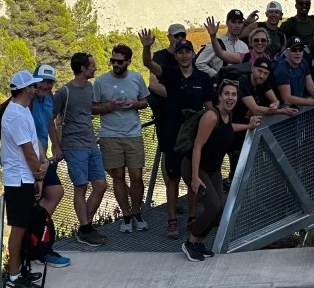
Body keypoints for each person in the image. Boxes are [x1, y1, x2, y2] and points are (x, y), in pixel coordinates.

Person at [141, 30, 215, 239]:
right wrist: (146, 47)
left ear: (193, 55)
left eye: (187, 52)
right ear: (176, 55)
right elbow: (148, 64)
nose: (183, 56)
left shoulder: (203, 78)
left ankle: (192, 217)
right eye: (180, 52)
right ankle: (172, 220)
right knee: (172, 177)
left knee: (194, 176)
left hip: (194, 135)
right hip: (171, 132)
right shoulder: (170, 74)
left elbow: (209, 108)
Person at [181, 81, 262, 262]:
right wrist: (194, 177)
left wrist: (248, 126)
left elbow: (227, 128)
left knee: (219, 209)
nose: (230, 98)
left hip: (213, 169)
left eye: (233, 94)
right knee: (213, 205)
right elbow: (197, 147)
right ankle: (190, 243)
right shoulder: (211, 116)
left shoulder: (227, 116)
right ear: (219, 96)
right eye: (227, 94)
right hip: (196, 167)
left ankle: (198, 242)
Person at [0, 70, 50, 288]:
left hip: (25, 177)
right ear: (26, 89)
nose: (35, 89)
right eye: (32, 86)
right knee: (18, 228)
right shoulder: (16, 115)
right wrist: (39, 173)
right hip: (18, 179)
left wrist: (40, 169)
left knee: (25, 224)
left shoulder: (22, 110)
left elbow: (35, 141)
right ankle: (13, 277)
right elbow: (28, 152)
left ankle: (20, 269)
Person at [92, 45, 150, 233]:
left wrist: (134, 103)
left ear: (128, 62)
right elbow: (92, 108)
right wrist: (109, 106)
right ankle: (126, 216)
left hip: (133, 133)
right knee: (117, 176)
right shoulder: (101, 82)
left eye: (119, 61)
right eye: (113, 61)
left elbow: (145, 102)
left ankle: (137, 212)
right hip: (110, 135)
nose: (115, 64)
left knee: (137, 176)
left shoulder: (136, 78)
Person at [53, 52, 108, 246]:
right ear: (83, 69)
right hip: (73, 146)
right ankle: (85, 229)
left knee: (101, 185)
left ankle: (85, 226)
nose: (95, 68)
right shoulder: (64, 92)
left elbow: (89, 110)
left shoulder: (90, 88)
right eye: (92, 65)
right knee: (81, 187)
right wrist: (56, 146)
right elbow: (50, 119)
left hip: (91, 143)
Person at [28, 65, 70, 267]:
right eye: (42, 81)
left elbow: (49, 124)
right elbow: (29, 136)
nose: (45, 85)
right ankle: (38, 248)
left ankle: (37, 239)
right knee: (37, 200)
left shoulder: (48, 98)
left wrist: (56, 145)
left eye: (49, 81)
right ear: (33, 82)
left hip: (43, 156)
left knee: (55, 192)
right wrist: (42, 161)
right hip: (32, 159)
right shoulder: (28, 102)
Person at [273, 36, 314, 110]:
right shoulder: (282, 68)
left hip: (297, 109)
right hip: (282, 114)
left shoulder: (303, 63)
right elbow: (287, 98)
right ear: (287, 51)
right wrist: (313, 102)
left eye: (300, 50)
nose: (298, 53)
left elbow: (311, 87)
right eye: (294, 50)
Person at [235, 56, 296, 123]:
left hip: (252, 122)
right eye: (259, 71)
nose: (262, 76)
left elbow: (276, 100)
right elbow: (255, 110)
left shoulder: (263, 81)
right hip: (237, 123)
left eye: (265, 73)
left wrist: (274, 105)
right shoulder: (243, 81)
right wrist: (280, 111)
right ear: (252, 68)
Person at [196, 9, 248, 77]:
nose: (237, 26)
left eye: (240, 22)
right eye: (233, 22)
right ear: (227, 23)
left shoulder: (243, 46)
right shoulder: (216, 43)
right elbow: (199, 63)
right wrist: (216, 75)